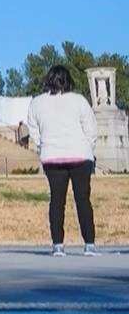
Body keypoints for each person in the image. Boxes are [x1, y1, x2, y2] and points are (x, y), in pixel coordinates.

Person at [26, 64, 99, 257]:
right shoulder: (79, 100)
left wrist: (43, 145)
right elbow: (91, 128)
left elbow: (33, 128)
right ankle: (89, 244)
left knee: (57, 201)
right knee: (82, 200)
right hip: (80, 155)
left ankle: (58, 244)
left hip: (52, 157)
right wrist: (88, 148)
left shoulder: (37, 103)